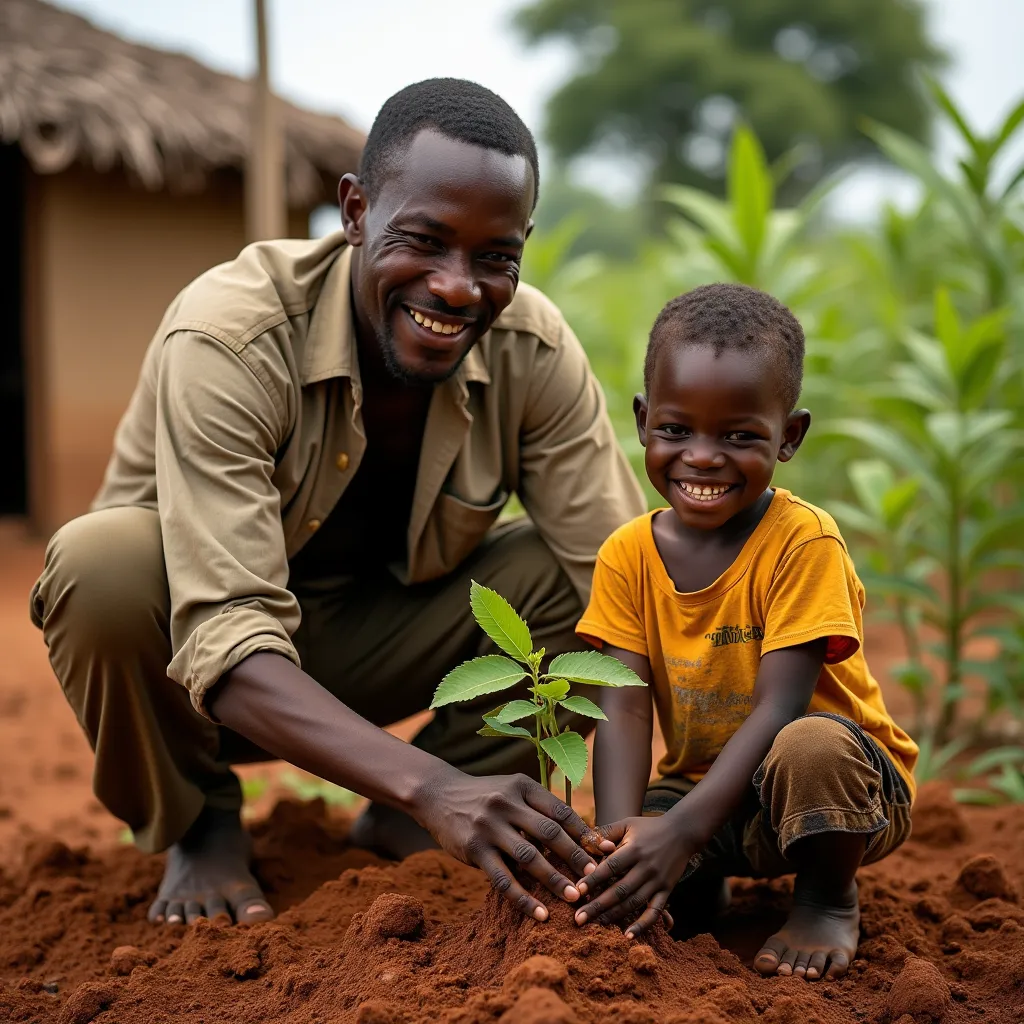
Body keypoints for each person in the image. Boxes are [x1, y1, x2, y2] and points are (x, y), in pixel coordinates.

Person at [30, 78, 645, 927]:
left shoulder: (531, 349)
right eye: (423, 240)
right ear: (355, 211)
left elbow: (636, 600)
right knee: (99, 566)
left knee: (592, 579)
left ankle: (398, 825)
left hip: (369, 649)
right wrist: (441, 788)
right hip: (190, 677)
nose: (458, 287)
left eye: (494, 256)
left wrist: (666, 823)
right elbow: (223, 634)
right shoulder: (230, 334)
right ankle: (201, 825)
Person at [569, 284, 919, 980]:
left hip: (841, 793)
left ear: (789, 436)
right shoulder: (627, 554)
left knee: (809, 744)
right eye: (676, 430)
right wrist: (623, 845)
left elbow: (782, 706)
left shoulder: (803, 542)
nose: (702, 457)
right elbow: (625, 703)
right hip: (706, 789)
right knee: (656, 862)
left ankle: (826, 898)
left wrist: (685, 831)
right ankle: (698, 882)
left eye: (738, 436)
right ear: (642, 421)